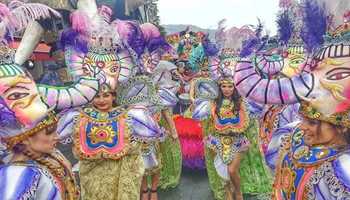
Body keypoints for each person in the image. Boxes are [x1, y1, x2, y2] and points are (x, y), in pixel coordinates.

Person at [57, 84, 164, 200]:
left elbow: (140, 146)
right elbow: (58, 137)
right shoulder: (79, 117)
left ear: (113, 96)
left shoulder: (129, 116)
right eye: (97, 96)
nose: (101, 100)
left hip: (121, 175)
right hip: (93, 176)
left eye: (106, 95)